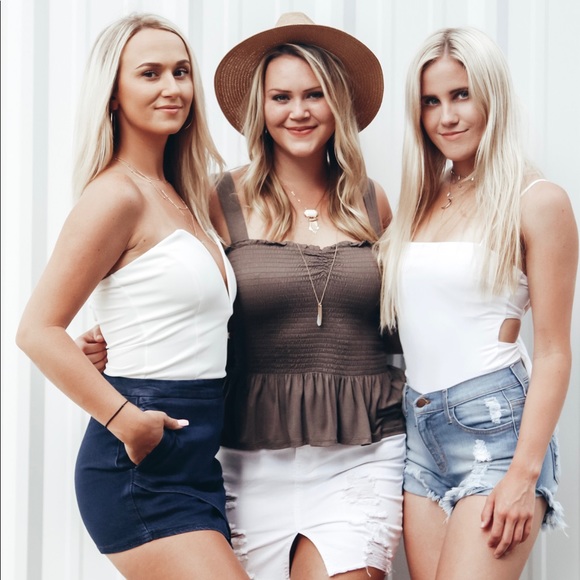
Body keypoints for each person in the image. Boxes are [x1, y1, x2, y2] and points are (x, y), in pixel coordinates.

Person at [79, 11, 406, 580]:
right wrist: (115, 336)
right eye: (281, 97)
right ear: (261, 108)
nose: (299, 111)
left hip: (362, 452)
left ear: (337, 104)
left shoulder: (371, 201)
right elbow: (183, 290)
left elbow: (401, 321)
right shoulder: (216, 199)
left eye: (315, 95)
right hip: (246, 459)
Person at [16, 13, 249, 579]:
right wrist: (127, 420)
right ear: (114, 94)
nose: (172, 88)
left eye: (181, 72)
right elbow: (37, 330)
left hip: (200, 459)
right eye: (150, 73)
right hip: (139, 467)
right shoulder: (115, 195)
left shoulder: (182, 194)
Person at [377, 26, 578, 580]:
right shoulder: (420, 202)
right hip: (419, 431)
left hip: (497, 428)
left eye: (461, 95)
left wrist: (524, 475)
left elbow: (555, 351)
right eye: (431, 102)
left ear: (492, 95)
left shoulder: (537, 201)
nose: (446, 117)